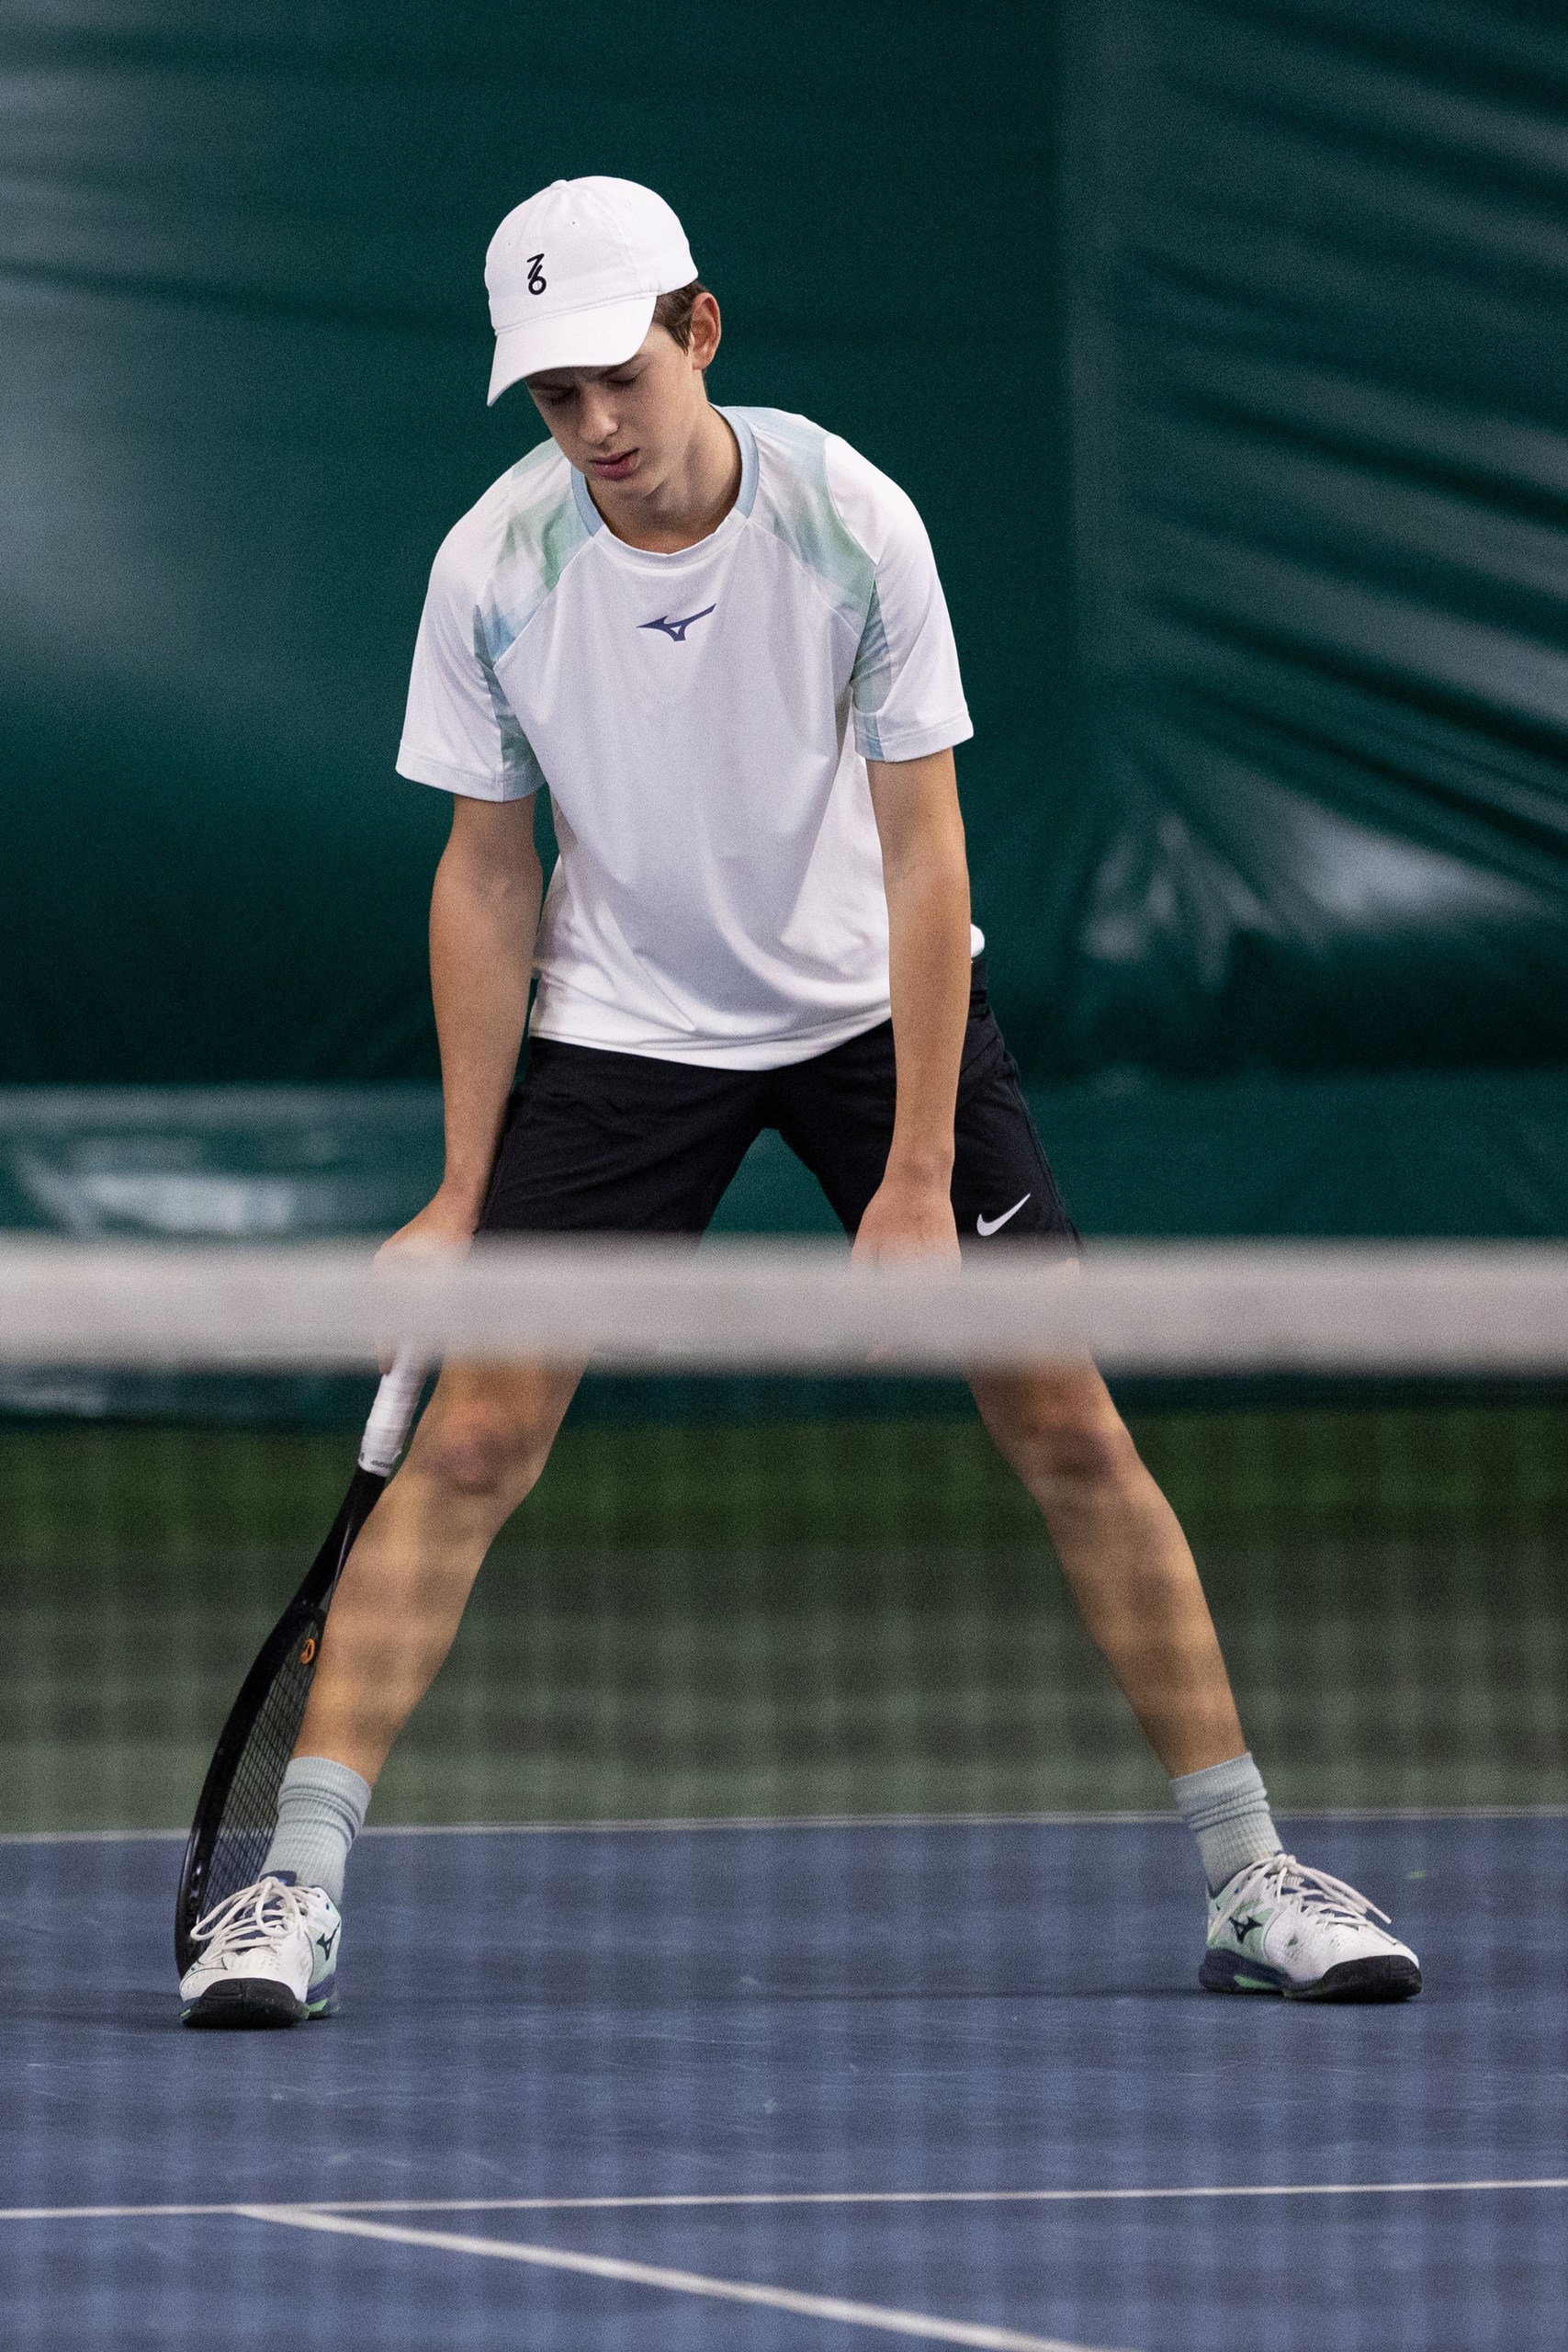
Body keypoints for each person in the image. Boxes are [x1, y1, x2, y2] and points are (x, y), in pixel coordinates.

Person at [178, 176, 1419, 2026]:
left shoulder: (850, 521)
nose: (594, 425)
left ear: (699, 331)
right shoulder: (494, 568)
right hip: (623, 1030)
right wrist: (454, 1188)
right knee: (473, 1441)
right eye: (554, 395)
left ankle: (1251, 1872)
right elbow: (489, 873)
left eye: (619, 375)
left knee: (1066, 1421)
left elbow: (926, 854)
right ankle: (291, 1889)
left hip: (871, 1009)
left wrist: (913, 1173)